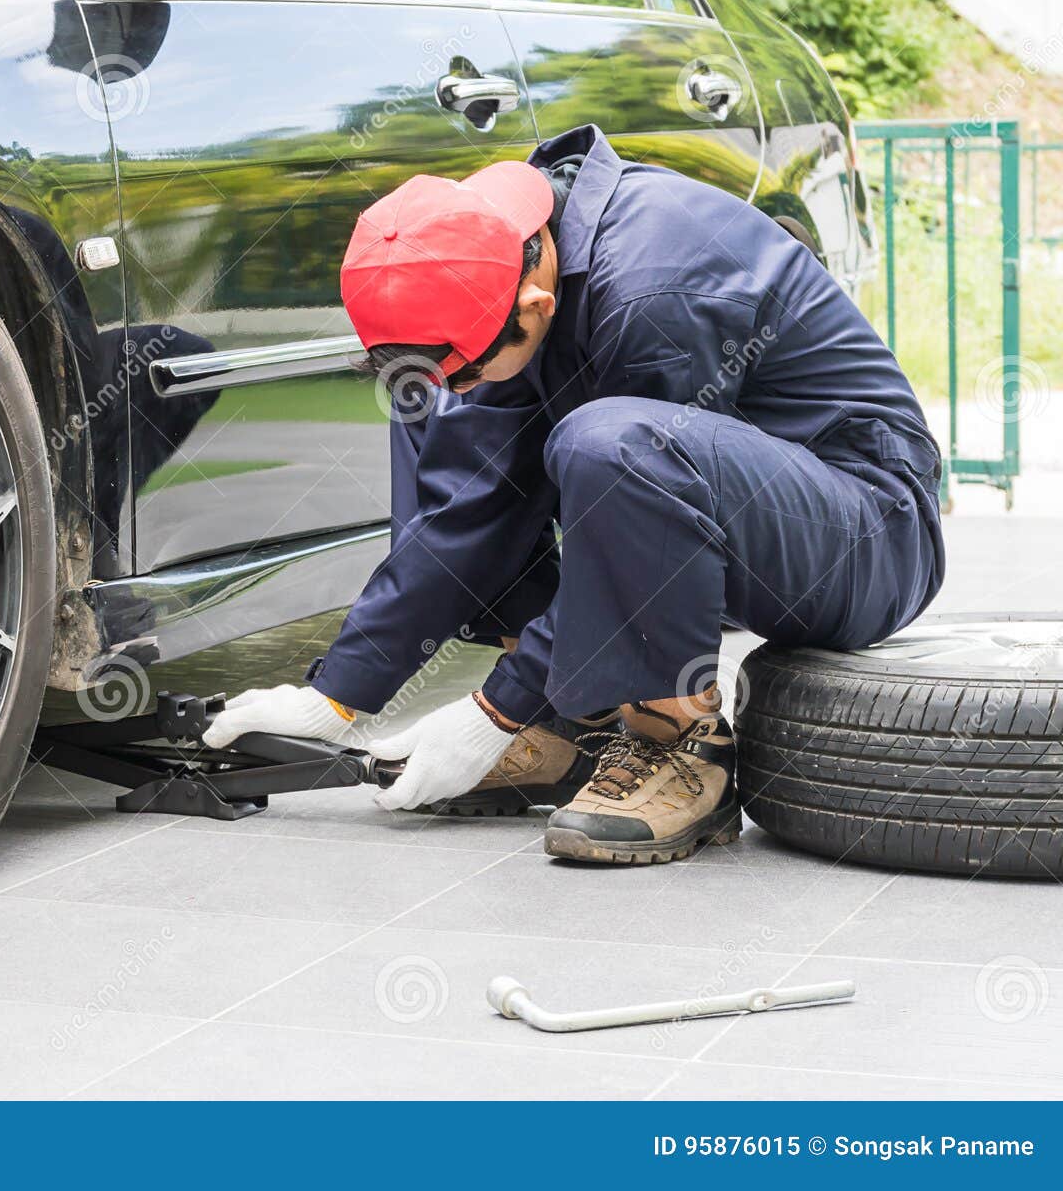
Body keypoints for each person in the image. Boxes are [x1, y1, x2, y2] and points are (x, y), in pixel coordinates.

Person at [203, 123, 944, 865]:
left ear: (532, 305)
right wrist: (336, 698)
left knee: (608, 444)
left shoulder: (655, 285)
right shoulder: (515, 243)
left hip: (864, 536)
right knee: (437, 413)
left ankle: (680, 741)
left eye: (470, 365)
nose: (461, 384)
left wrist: (493, 710)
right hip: (728, 516)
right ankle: (570, 724)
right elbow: (470, 502)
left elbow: (641, 524)